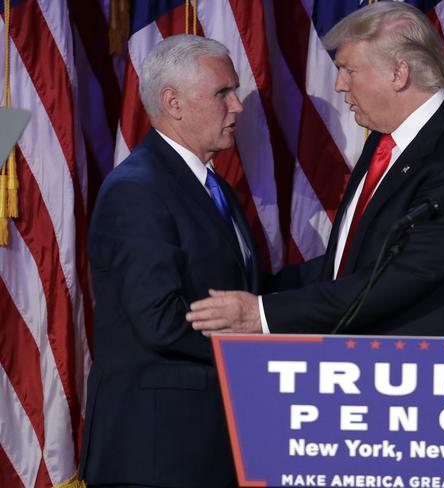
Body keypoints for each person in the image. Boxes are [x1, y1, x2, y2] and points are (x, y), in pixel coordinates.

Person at [187, 1, 444, 338]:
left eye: (349, 69)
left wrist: (263, 313)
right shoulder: (385, 139)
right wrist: (256, 289)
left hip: (431, 373)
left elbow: (395, 280)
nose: (340, 84)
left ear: (399, 74)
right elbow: (352, 260)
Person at [79, 34, 258, 488]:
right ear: (172, 103)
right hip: (157, 454)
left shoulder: (208, 185)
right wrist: (259, 350)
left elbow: (244, 291)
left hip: (204, 446)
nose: (237, 106)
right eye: (223, 93)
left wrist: (345, 269)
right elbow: (159, 319)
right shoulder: (138, 190)